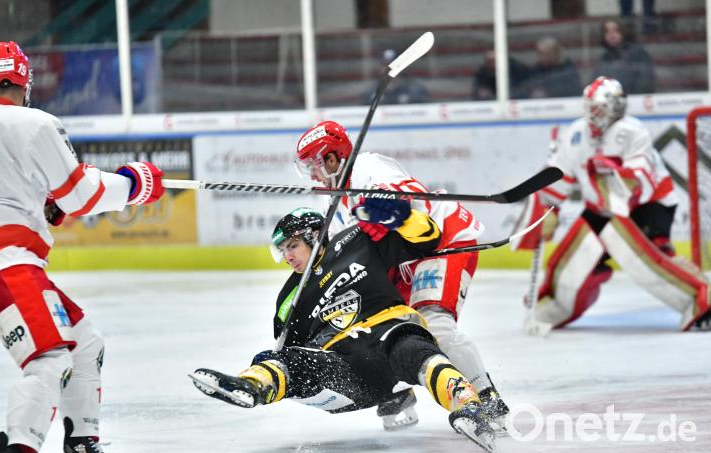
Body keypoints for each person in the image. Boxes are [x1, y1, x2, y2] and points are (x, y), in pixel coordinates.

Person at [0, 41, 165, 453]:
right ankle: (21, 447)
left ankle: (82, 442)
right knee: (49, 359)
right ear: (26, 80)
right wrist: (135, 184)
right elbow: (79, 194)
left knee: (84, 341)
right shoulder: (34, 123)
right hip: (3, 261)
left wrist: (44, 206)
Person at [190, 204, 496, 451]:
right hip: (349, 371)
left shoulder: (357, 241)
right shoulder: (289, 298)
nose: (288, 256)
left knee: (412, 349)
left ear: (315, 235)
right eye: (283, 250)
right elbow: (289, 353)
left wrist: (403, 218)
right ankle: (251, 387)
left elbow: (427, 239)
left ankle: (469, 407)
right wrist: (278, 364)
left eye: (293, 245)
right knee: (288, 361)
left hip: (388, 332)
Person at [292, 120, 508, 431]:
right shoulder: (334, 203)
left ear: (333, 158)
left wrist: (386, 203)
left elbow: (412, 195)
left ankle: (487, 400)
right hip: (404, 260)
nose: (312, 174)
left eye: (315, 164)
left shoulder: (368, 167)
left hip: (442, 243)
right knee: (381, 324)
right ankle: (398, 388)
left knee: (434, 324)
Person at [513, 76, 710, 332]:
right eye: (589, 107)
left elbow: (640, 179)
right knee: (573, 260)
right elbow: (559, 176)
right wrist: (547, 207)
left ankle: (701, 302)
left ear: (615, 107)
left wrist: (614, 172)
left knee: (643, 261)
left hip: (647, 207)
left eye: (599, 108)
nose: (592, 114)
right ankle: (554, 307)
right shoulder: (576, 133)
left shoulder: (632, 131)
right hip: (600, 208)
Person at [593, 18, 656, 94]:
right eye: (607, 32)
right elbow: (596, 83)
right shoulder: (603, 58)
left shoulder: (638, 53)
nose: (611, 34)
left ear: (623, 32)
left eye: (615, 30)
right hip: (612, 102)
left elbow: (646, 80)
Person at [518, 37, 582, 99]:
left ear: (555, 53)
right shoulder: (537, 69)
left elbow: (573, 89)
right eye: (540, 53)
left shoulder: (567, 68)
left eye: (546, 54)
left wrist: (548, 92)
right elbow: (528, 87)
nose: (543, 57)